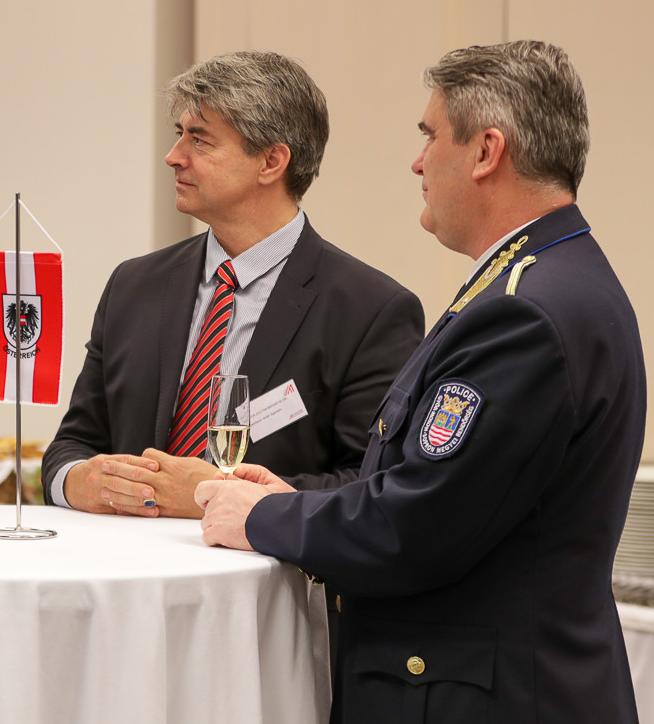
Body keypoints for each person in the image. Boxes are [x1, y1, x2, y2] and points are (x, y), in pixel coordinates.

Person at [197, 41, 648, 724]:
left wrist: (264, 517)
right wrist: (296, 498)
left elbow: (418, 525)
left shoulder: (525, 311)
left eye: (429, 135)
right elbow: (440, 487)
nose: (417, 161)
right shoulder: (544, 280)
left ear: (486, 151)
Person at [42, 51, 424, 518]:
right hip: (125, 560)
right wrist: (76, 481)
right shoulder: (134, 285)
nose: (173, 157)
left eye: (200, 140)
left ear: (271, 162)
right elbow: (73, 445)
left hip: (261, 563)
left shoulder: (370, 310)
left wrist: (220, 493)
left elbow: (369, 484)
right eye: (179, 134)